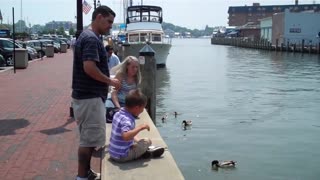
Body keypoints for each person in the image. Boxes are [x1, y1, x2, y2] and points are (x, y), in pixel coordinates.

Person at [71, 5, 121, 180]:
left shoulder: (88, 36)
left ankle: (86, 173)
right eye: (109, 22)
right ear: (99, 17)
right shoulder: (92, 39)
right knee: (88, 142)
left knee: (89, 139)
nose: (110, 26)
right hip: (89, 98)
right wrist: (111, 81)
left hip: (86, 97)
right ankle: (82, 177)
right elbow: (89, 68)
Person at [109, 89, 165, 162]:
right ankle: (146, 153)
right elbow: (125, 136)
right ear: (136, 108)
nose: (142, 111)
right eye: (142, 109)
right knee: (147, 141)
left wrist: (138, 141)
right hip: (122, 156)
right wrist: (140, 127)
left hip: (113, 153)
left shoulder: (118, 114)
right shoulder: (127, 120)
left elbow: (127, 133)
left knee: (139, 142)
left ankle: (142, 151)